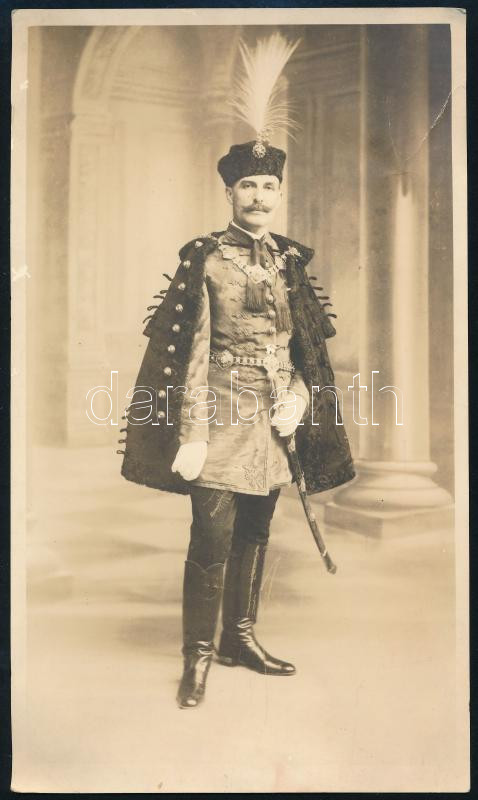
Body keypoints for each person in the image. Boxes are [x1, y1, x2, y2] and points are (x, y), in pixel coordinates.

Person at [119, 35, 354, 709]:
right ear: (229, 191)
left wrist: (300, 398)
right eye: (247, 185)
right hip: (218, 415)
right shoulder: (205, 258)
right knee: (212, 534)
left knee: (256, 529)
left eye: (268, 186)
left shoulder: (290, 262)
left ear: (280, 193)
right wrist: (192, 433)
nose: (259, 195)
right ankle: (196, 655)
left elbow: (305, 350)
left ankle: (239, 639)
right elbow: (191, 353)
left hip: (273, 418)